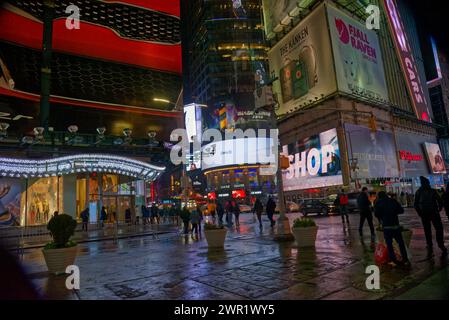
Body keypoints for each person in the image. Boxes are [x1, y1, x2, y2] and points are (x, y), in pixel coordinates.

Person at [414, 176, 448, 259]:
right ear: (428, 183)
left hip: (424, 214)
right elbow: (440, 201)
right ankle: (440, 244)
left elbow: (416, 205)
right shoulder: (432, 191)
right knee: (438, 228)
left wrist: (420, 213)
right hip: (434, 212)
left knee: (427, 230)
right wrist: (439, 209)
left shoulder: (418, 192)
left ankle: (429, 244)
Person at [374, 192, 410, 266]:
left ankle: (393, 260)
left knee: (389, 244)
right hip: (395, 225)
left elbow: (376, 214)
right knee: (401, 243)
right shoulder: (393, 200)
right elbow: (401, 210)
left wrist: (382, 215)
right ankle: (405, 259)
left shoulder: (378, 203)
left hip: (387, 227)